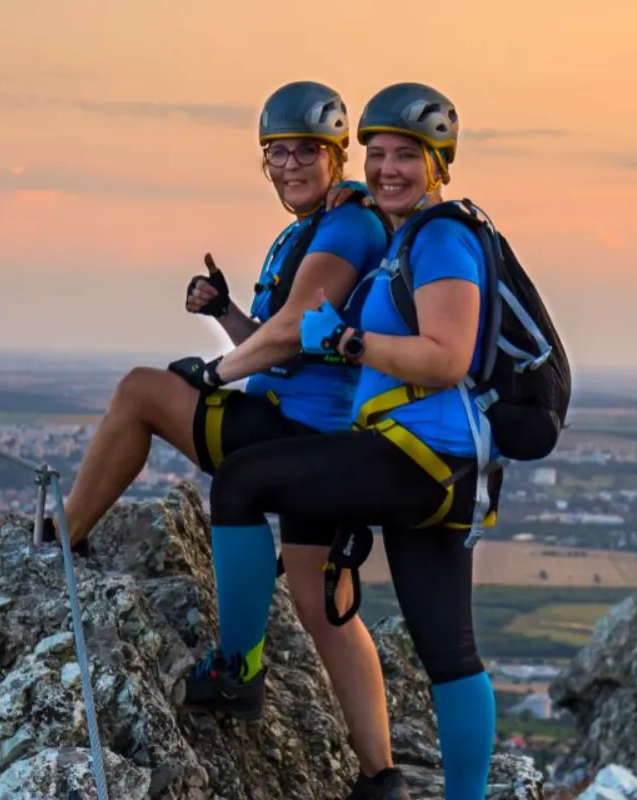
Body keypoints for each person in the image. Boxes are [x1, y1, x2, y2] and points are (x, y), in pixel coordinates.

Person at [39, 80, 399, 778]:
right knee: (323, 610)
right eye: (276, 153)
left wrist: (211, 372)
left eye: (305, 151)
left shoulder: (347, 227)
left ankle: (65, 536)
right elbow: (285, 342)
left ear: (336, 155)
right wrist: (227, 313)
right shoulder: (316, 227)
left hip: (295, 426)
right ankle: (381, 777)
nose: (289, 166)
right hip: (316, 434)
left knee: (141, 391)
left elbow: (291, 332)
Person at [185, 82, 504, 800]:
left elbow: (447, 357)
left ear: (439, 164)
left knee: (242, 481)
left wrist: (352, 341)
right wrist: (349, 197)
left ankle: (236, 670)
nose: (388, 169)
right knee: (450, 653)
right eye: (377, 155)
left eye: (406, 157)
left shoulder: (443, 238)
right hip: (445, 469)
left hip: (417, 455)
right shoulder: (405, 236)